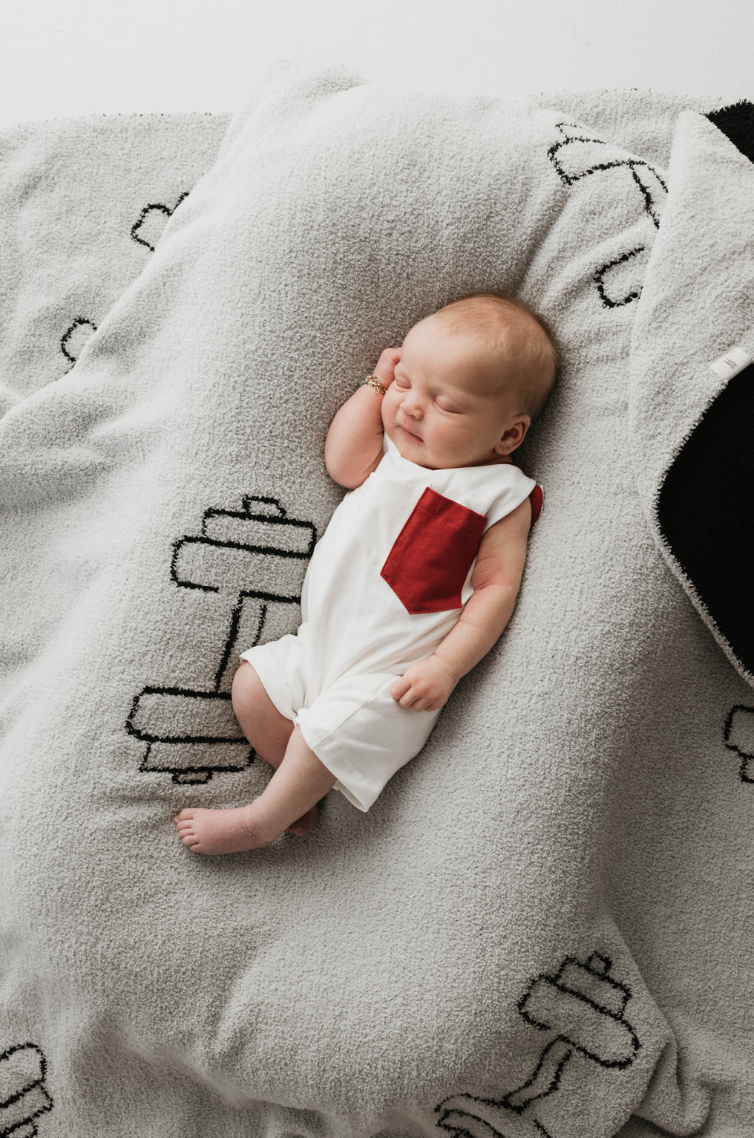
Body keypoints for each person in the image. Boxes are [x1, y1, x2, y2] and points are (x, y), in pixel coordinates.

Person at [174, 291, 558, 855]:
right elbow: (343, 462)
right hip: (319, 647)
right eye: (406, 384)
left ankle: (260, 821)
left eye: (444, 404)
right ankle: (299, 790)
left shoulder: (500, 494)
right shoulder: (392, 460)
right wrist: (375, 385)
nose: (412, 409)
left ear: (507, 435)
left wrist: (446, 668)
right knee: (253, 685)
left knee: (332, 729)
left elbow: (498, 589)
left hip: (390, 678)